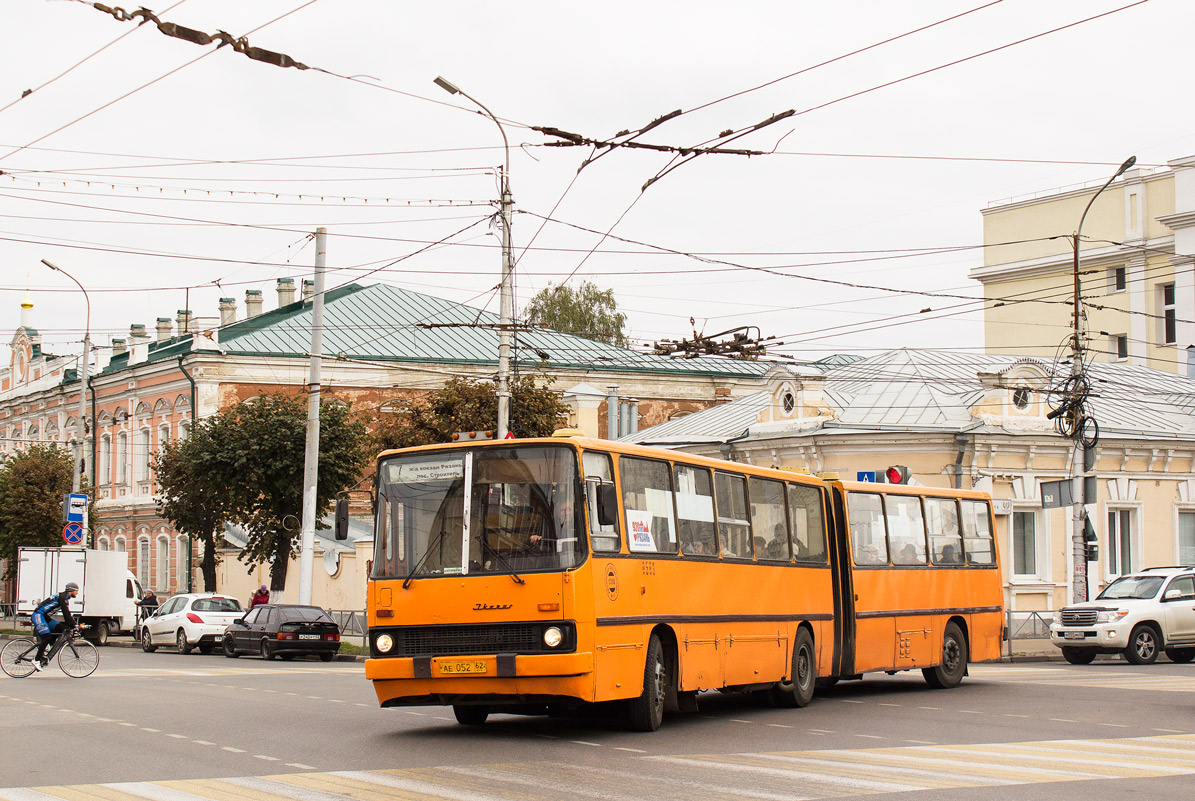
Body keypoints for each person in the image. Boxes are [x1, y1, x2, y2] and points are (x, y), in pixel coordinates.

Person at [31, 582, 79, 671]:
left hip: (44, 616)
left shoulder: (64, 597)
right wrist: (72, 624)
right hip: (38, 615)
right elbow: (65, 612)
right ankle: (36, 660)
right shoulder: (62, 598)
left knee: (61, 629)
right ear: (71, 590)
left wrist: (71, 624)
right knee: (47, 637)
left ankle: (46, 646)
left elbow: (67, 613)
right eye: (76, 591)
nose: (77, 593)